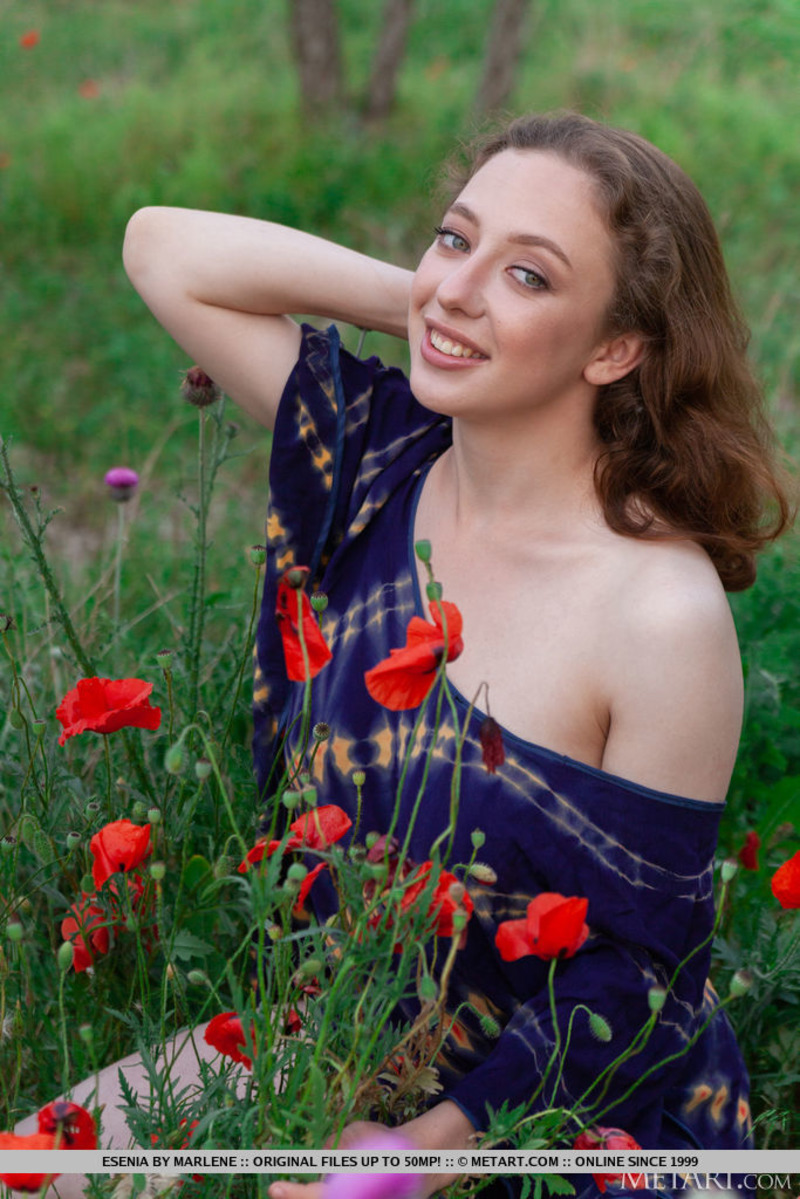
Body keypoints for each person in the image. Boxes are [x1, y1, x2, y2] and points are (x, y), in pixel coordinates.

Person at [23, 111, 793, 1199]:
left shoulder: (654, 612)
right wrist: (447, 307)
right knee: (29, 1170)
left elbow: (641, 986)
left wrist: (417, 1151)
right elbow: (164, 247)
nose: (461, 282)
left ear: (615, 347)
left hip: (564, 1118)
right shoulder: (374, 461)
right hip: (334, 1026)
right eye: (453, 236)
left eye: (529, 274)